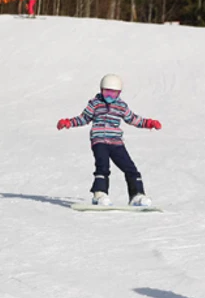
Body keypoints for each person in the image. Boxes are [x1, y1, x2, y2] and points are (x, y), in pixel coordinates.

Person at [57, 74, 162, 206]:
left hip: (116, 142)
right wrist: (68, 122)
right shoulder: (95, 104)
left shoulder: (121, 106)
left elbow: (133, 119)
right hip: (99, 140)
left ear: (119, 93)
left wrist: (149, 123)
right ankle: (99, 194)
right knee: (103, 166)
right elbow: (84, 118)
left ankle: (137, 195)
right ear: (101, 90)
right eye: (106, 92)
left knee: (130, 167)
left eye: (113, 94)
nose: (109, 97)